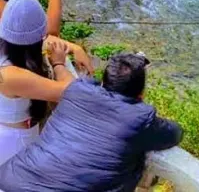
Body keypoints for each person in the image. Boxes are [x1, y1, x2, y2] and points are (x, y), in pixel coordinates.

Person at [0, 53, 183, 191]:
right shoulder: (141, 117)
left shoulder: (78, 90)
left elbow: (68, 80)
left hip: (10, 180)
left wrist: (58, 63)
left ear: (103, 83)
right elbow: (174, 133)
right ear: (140, 94)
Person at [0, 0, 80, 166]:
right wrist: (58, 63)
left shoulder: (7, 58)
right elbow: (74, 91)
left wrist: (74, 47)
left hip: (12, 132)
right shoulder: (11, 76)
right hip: (14, 144)